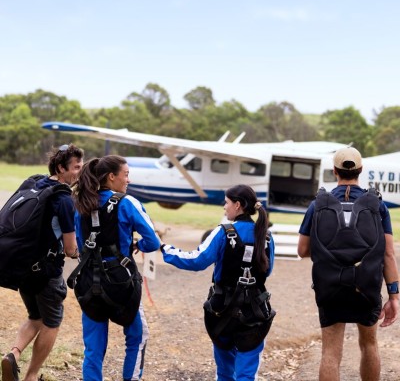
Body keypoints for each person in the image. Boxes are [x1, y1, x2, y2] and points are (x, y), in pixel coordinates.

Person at [297, 146, 399, 381]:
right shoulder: (378, 206)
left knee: (331, 351)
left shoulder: (317, 205)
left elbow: (302, 250)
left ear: (335, 171)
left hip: (330, 287)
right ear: (360, 171)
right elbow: (388, 254)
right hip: (366, 286)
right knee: (369, 345)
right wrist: (394, 296)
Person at [162, 184, 275, 381]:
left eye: (226, 202)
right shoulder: (265, 236)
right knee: (246, 375)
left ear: (237, 205)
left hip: (223, 312)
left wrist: (165, 249)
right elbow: (268, 270)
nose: (224, 207)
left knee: (224, 373)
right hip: (255, 313)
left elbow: (196, 260)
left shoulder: (223, 232)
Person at [72, 155, 161, 381]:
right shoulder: (126, 203)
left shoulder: (81, 204)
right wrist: (136, 245)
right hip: (122, 286)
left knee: (92, 349)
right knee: (137, 337)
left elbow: (80, 245)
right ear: (112, 177)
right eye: (126, 175)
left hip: (88, 284)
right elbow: (153, 242)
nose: (128, 180)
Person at [1, 143, 84, 381]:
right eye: (76, 167)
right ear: (61, 167)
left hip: (23, 268)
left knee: (35, 316)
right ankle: (31, 376)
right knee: (52, 320)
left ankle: (14, 354)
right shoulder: (63, 199)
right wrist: (81, 253)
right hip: (46, 273)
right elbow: (69, 249)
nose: (79, 172)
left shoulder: (35, 184)